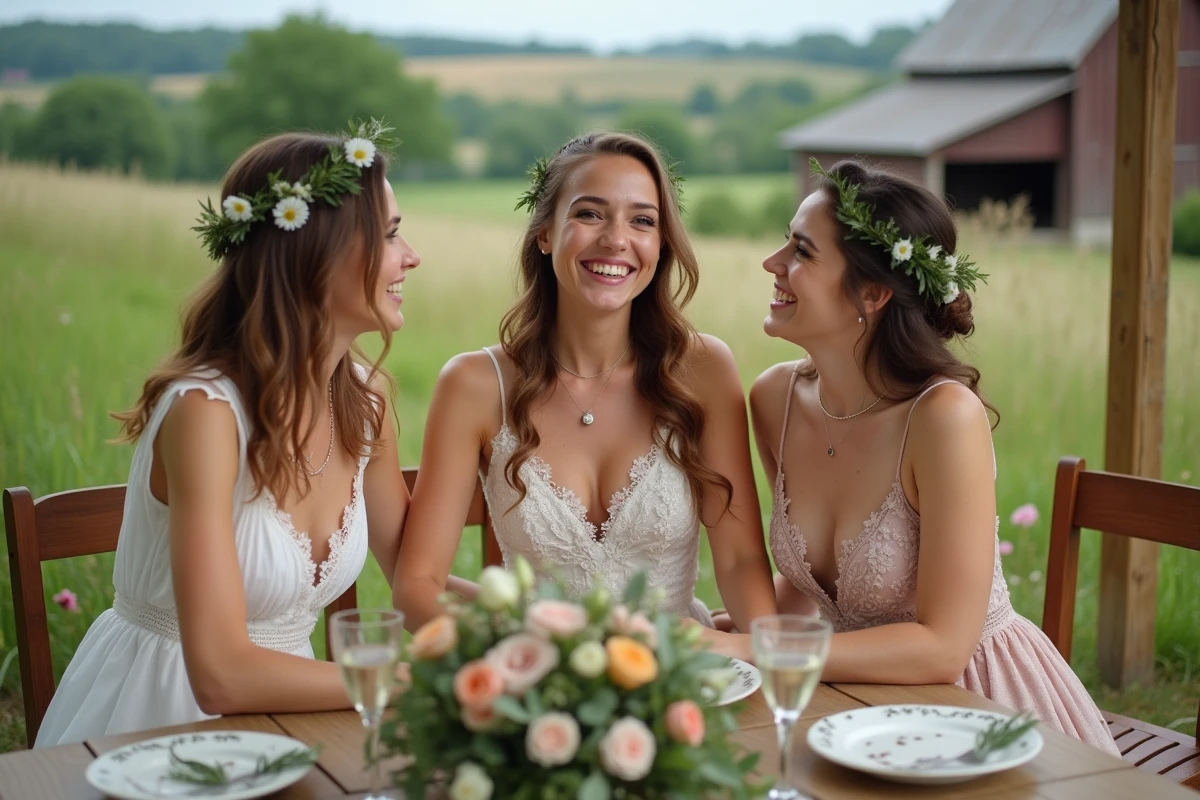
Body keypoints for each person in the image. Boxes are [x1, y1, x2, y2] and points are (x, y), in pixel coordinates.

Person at [36, 121, 420, 747]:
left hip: (295, 717)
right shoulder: (206, 413)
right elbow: (217, 676)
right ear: (314, 253)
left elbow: (414, 571)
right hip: (161, 720)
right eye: (390, 234)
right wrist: (399, 677)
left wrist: (525, 628)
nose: (411, 256)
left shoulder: (362, 399)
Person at [743, 157, 1118, 753]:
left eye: (802, 252)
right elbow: (814, 587)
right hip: (850, 698)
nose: (773, 263)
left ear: (872, 292)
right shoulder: (773, 401)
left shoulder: (943, 418)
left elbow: (945, 648)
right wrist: (751, 626)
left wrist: (749, 650)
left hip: (972, 702)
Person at [392, 132, 776, 635]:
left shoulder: (703, 369)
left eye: (642, 220)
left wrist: (763, 657)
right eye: (590, 214)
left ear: (660, 245)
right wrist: (539, 656)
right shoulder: (474, 385)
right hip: (537, 683)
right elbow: (418, 584)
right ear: (546, 233)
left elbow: (740, 561)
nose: (617, 239)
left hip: (677, 679)